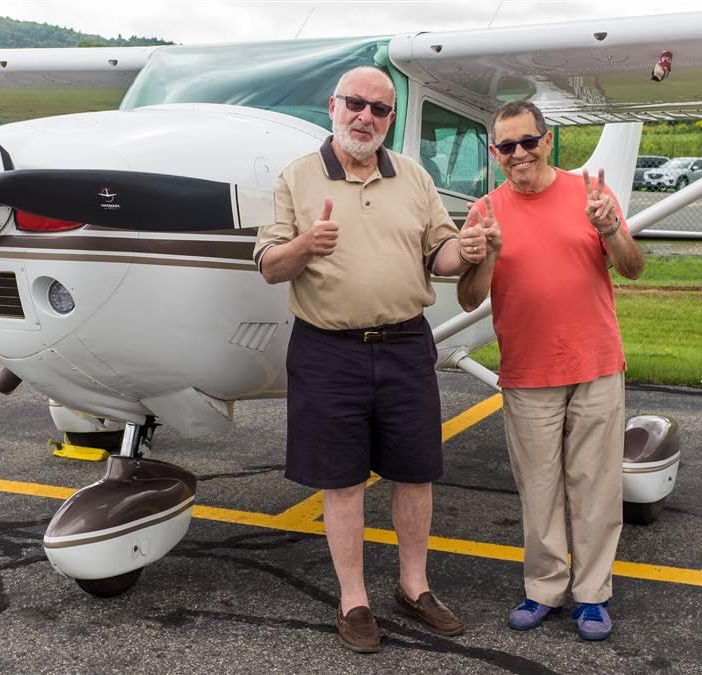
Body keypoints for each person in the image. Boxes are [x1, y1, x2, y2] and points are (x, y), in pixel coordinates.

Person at [255, 66, 489, 653]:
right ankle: (353, 599)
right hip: (328, 350)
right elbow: (268, 264)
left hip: (407, 345)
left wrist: (471, 247)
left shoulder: (413, 177)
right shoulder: (296, 177)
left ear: (390, 118)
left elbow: (441, 255)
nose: (365, 116)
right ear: (333, 106)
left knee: (416, 474)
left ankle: (414, 586)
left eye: (379, 109)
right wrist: (305, 246)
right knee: (343, 482)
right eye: (355, 104)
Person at [457, 100, 645, 642]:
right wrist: (486, 255)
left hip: (595, 364)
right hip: (527, 372)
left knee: (596, 487)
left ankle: (592, 596)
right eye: (506, 147)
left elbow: (632, 268)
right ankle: (543, 589)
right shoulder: (485, 211)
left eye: (527, 142)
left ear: (548, 141)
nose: (518, 154)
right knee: (537, 490)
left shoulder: (591, 193)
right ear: (496, 155)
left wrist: (611, 229)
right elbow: (470, 299)